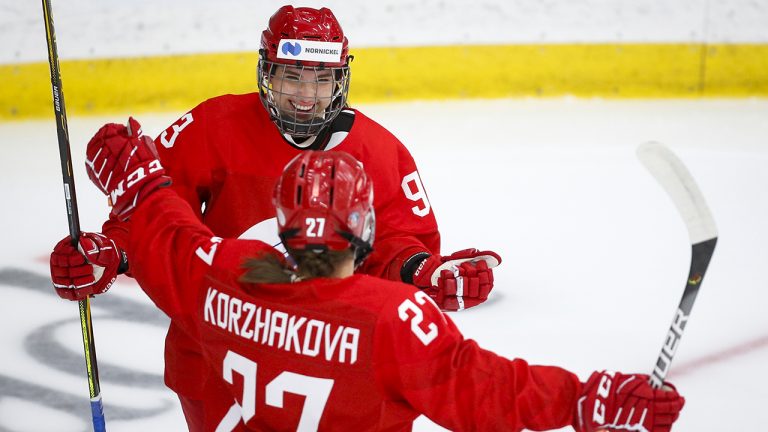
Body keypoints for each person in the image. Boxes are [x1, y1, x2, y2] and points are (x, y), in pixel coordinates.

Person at [53, 127, 685, 431]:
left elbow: (171, 237)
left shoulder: (223, 276)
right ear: (364, 229)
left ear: (280, 224)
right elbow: (491, 392)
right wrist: (587, 398)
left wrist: (140, 186)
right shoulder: (390, 320)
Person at [50, 6, 502, 429]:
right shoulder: (214, 126)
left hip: (332, 358)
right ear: (268, 73)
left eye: (321, 79)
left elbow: (398, 243)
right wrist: (113, 251)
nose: (306, 96)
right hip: (220, 354)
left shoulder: (380, 153)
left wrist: (422, 269)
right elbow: (155, 210)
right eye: (292, 77)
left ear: (340, 79)